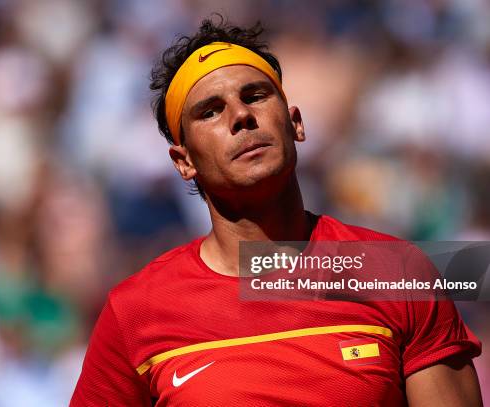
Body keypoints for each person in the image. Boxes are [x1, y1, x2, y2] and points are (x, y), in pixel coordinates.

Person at [70, 16, 482, 406]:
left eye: (254, 96)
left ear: (296, 123)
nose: (241, 116)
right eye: (210, 111)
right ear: (183, 162)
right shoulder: (135, 311)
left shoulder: (399, 273)